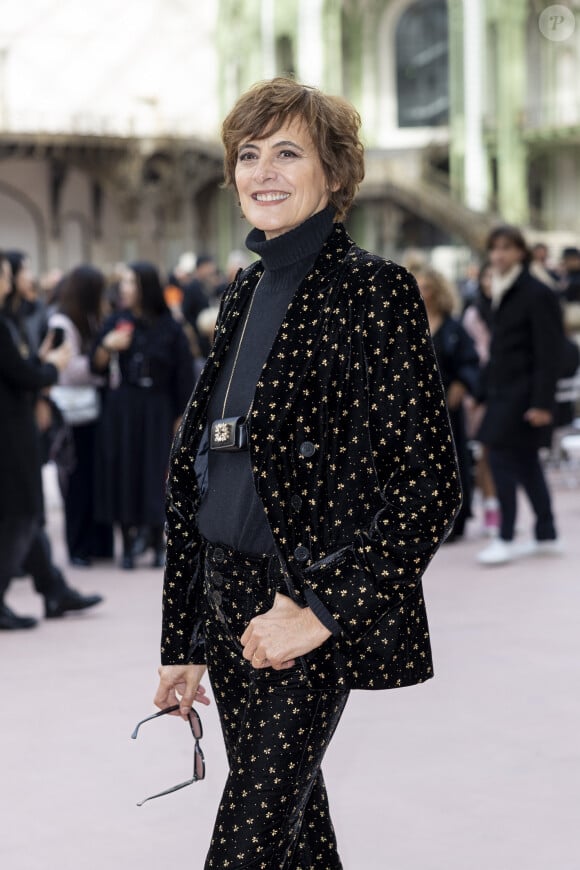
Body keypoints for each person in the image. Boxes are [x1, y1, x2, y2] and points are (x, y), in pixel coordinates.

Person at [151, 78, 461, 869]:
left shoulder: (374, 292)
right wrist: (182, 639)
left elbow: (428, 485)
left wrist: (321, 610)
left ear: (335, 171)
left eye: (287, 152)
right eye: (248, 154)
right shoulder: (242, 292)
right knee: (293, 834)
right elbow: (199, 475)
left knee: (247, 844)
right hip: (226, 607)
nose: (262, 171)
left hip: (303, 606)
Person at [0, 251, 103, 630]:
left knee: (26, 517)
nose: (14, 279)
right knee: (22, 514)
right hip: (10, 432)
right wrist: (52, 368)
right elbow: (23, 374)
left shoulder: (13, 316)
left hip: (16, 424)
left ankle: (53, 588)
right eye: (12, 273)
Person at [91, 261, 194, 569]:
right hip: (122, 408)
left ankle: (154, 537)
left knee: (154, 472)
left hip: (157, 408)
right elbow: (96, 365)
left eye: (131, 282)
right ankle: (128, 540)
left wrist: (181, 416)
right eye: (123, 282)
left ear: (145, 287)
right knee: (123, 471)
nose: (124, 288)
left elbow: (184, 375)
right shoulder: (117, 321)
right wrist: (107, 347)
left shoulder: (170, 326)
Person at [476, 226, 564, 566]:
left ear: (521, 252)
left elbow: (550, 352)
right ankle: (546, 532)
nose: (498, 255)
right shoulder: (502, 289)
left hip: (524, 393)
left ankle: (505, 536)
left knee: (499, 457)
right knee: (526, 462)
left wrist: (543, 403)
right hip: (504, 390)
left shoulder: (535, 292)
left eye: (506, 249)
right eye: (494, 249)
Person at [48, 266, 113, 567]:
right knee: (75, 483)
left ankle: (96, 543)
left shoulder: (89, 318)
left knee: (92, 479)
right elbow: (68, 369)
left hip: (91, 413)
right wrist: (98, 366)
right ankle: (78, 546)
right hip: (73, 415)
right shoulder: (62, 322)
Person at [416, 267, 480, 541]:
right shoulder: (407, 324)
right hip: (415, 410)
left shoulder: (453, 327)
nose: (421, 292)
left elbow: (470, 361)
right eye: (418, 286)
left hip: (448, 409)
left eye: (427, 287)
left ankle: (458, 518)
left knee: (453, 460)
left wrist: (461, 385)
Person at [462, 262, 501, 536]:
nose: (490, 281)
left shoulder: (510, 309)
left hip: (506, 390)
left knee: (505, 457)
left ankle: (501, 509)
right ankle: (491, 509)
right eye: (486, 276)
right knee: (484, 453)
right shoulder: (473, 315)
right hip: (481, 393)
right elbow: (474, 358)